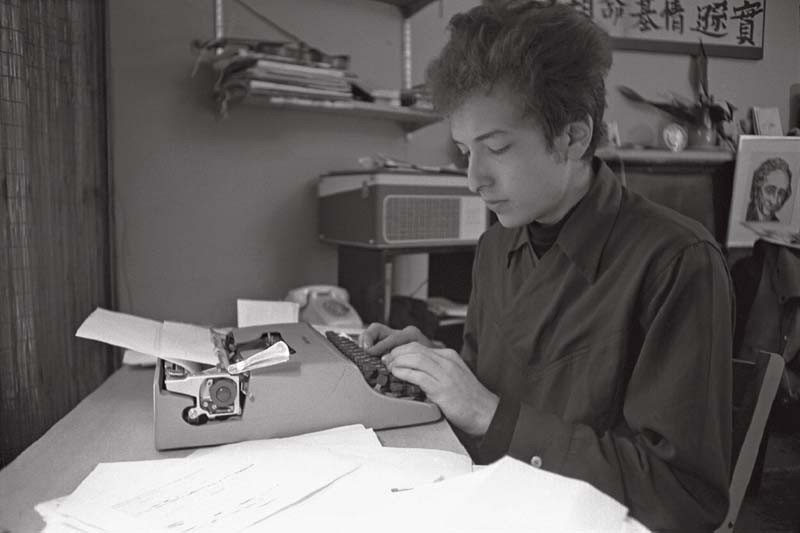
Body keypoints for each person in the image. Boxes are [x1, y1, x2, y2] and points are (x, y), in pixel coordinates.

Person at [360, 2, 733, 531]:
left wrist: (491, 415)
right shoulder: (496, 247)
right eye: (465, 150)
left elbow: (681, 495)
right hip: (480, 502)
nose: (474, 179)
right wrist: (430, 366)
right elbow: (489, 381)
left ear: (574, 138)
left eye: (497, 148)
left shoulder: (676, 264)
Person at [745, 157, 793, 222]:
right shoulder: (743, 215)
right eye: (770, 190)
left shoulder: (777, 224)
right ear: (757, 188)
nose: (774, 201)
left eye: (781, 193)